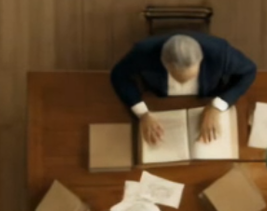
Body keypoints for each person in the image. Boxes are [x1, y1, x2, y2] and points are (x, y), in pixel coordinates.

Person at [109, 32, 258, 146]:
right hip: (160, 101)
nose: (185, 82)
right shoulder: (143, 52)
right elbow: (118, 75)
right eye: (179, 77)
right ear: (165, 64)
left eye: (192, 75)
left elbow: (249, 71)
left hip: (205, 98)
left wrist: (217, 106)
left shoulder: (221, 53)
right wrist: (143, 114)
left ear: (201, 60)